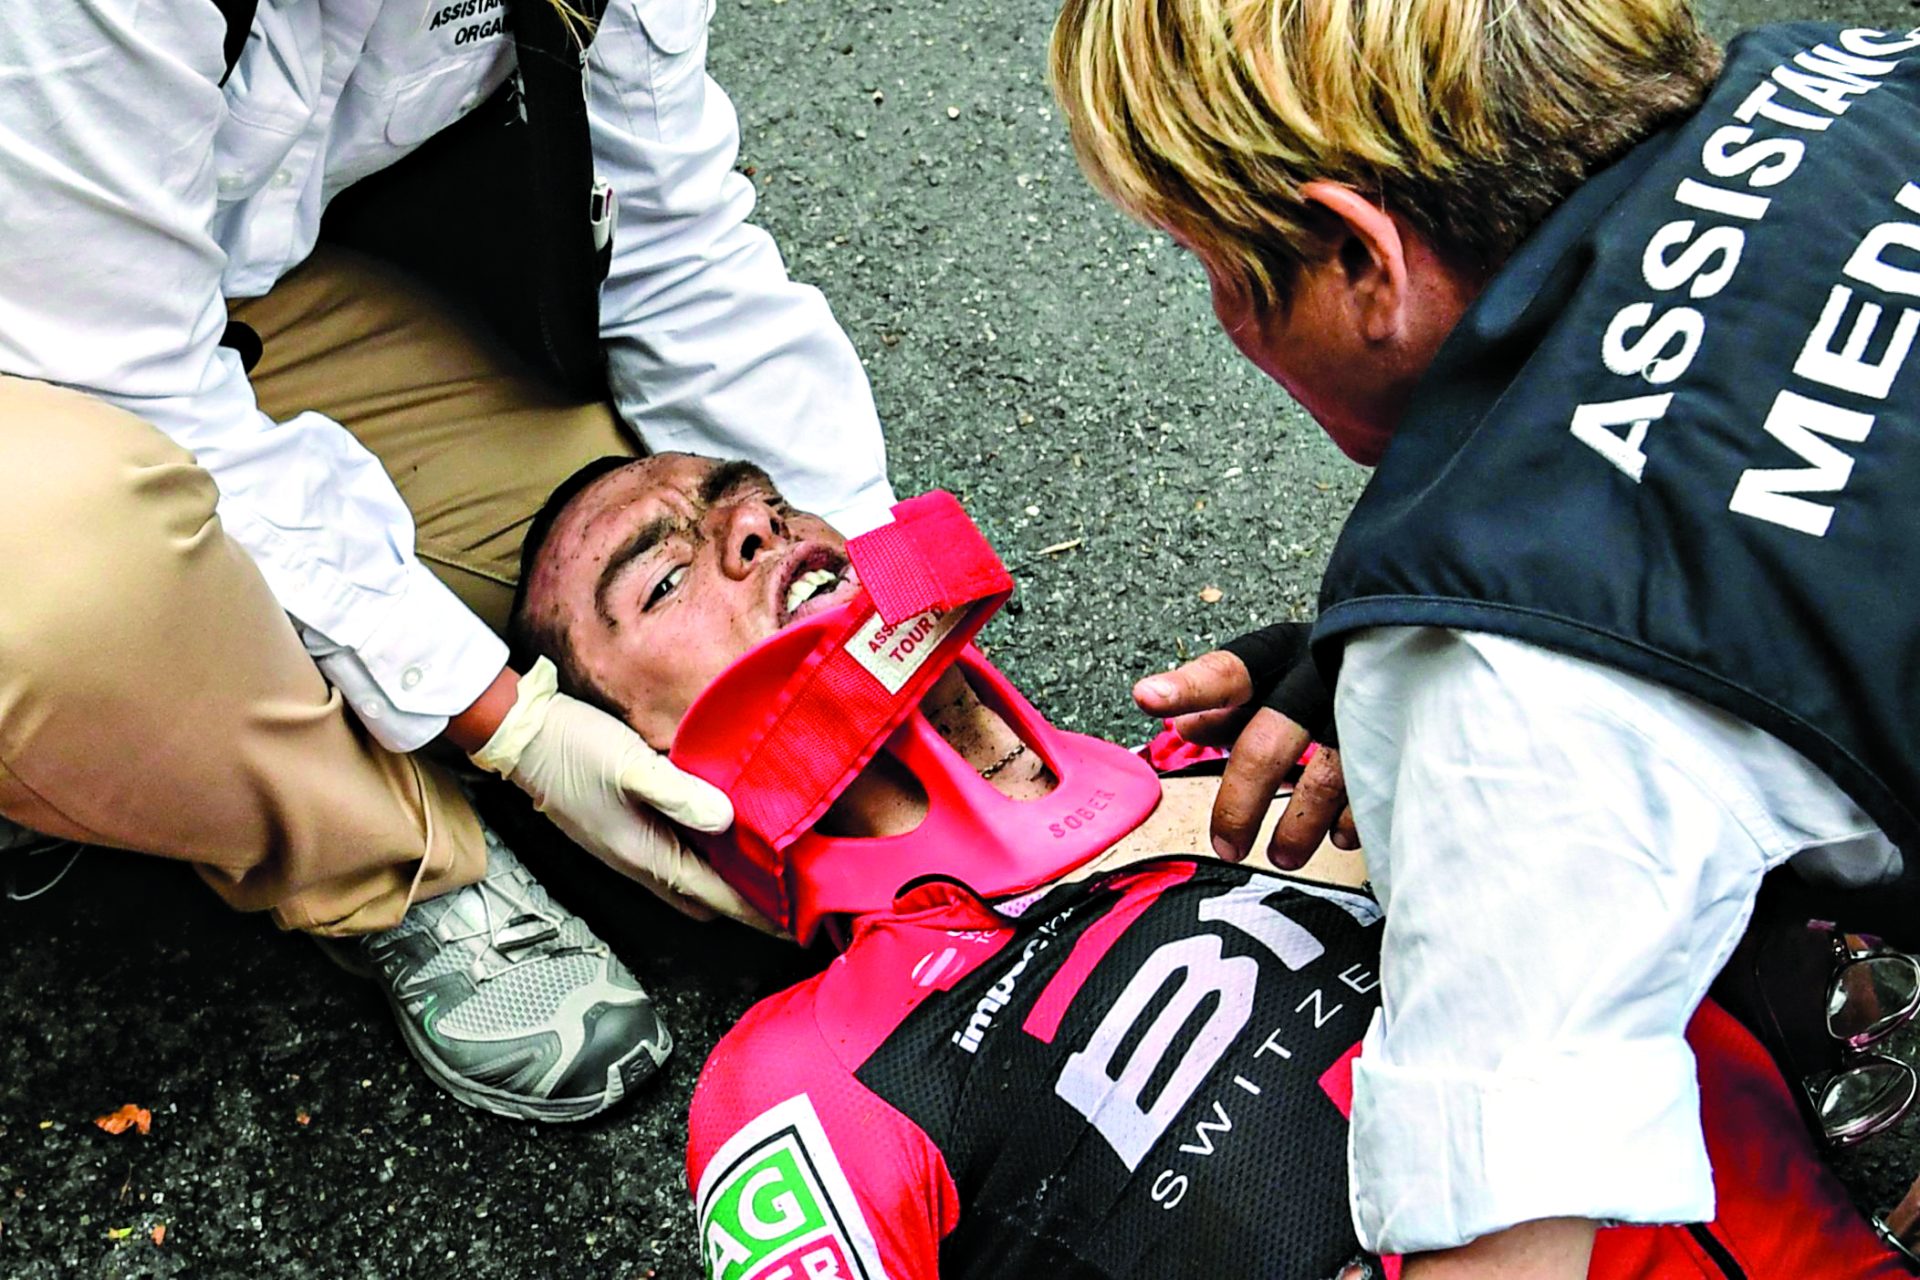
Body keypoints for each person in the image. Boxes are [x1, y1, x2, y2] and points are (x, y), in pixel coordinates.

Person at [510, 450, 1906, 1280]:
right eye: (667, 575)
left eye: (751, 500)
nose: (750, 527)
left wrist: (1442, 656)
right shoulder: (805, 1079)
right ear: (628, 756)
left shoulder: (1277, 753)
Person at [1048, 2, 1920, 1273]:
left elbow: (1503, 1247)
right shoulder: (1845, 64)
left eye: (1218, 269)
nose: (1227, 321)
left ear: (1362, 258)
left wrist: (1467, 652)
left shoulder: (1509, 703)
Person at [0, 0, 893, 1123]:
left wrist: (875, 584)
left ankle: (148, 733)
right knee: (69, 584)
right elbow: (124, 373)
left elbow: (676, 251)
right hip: (68, 350)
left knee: (619, 564)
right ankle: (392, 862)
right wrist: (504, 722)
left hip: (191, 288)